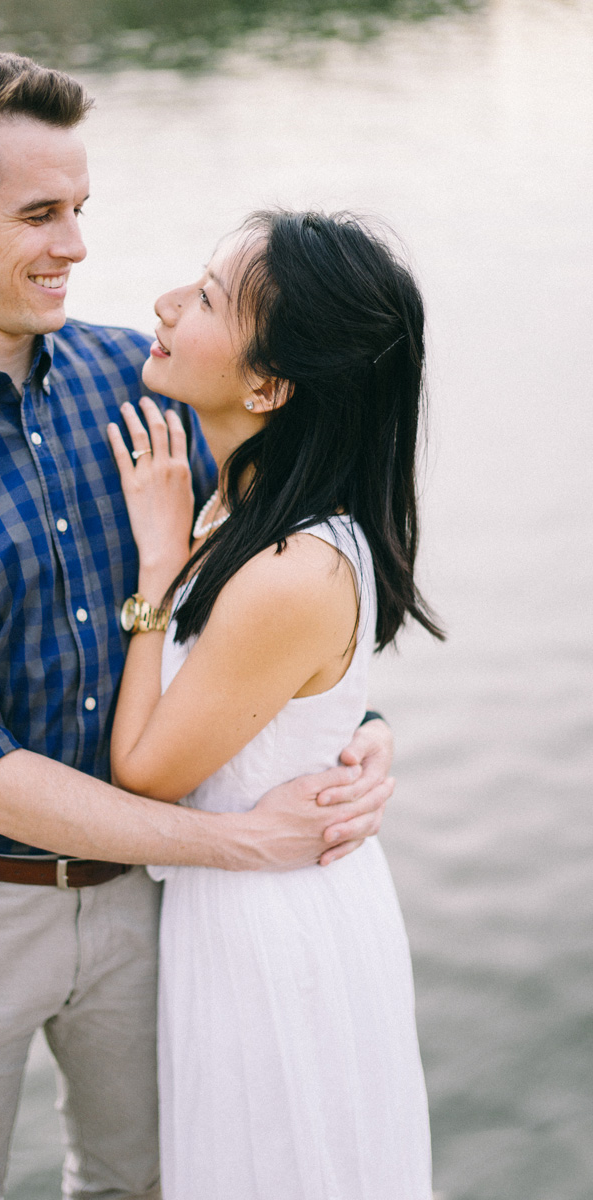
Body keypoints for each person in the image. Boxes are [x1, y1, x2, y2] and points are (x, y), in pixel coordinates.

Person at [0, 51, 394, 1200]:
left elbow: (268, 593)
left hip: (138, 906)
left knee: (138, 1183)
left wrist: (352, 724)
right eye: (38, 214)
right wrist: (238, 844)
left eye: (79, 209)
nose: (75, 244)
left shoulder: (146, 376)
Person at [106, 210, 442, 1199]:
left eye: (205, 298)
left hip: (271, 925)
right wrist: (368, 731)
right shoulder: (244, 504)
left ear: (267, 385)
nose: (163, 306)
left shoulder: (287, 566)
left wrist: (156, 572)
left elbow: (145, 771)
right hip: (242, 898)